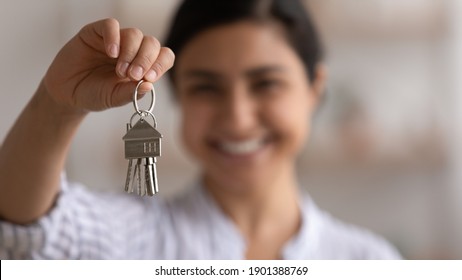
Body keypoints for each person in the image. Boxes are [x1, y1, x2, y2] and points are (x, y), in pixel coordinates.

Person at [0, 0, 401, 259]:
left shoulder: (370, 260)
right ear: (177, 96)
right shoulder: (133, 239)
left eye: (266, 84)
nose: (238, 119)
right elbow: (27, 235)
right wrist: (56, 105)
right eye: (206, 87)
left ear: (315, 89)